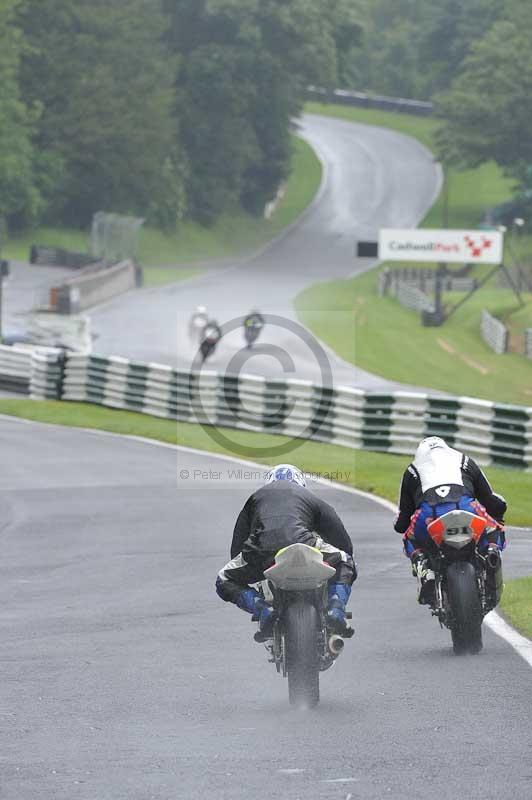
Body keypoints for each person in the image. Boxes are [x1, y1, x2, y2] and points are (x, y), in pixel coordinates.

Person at [215, 464, 357, 642]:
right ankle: (336, 608)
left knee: (224, 579)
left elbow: (237, 547)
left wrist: (247, 570)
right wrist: (343, 564)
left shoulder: (255, 498)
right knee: (345, 560)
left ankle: (262, 609)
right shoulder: (308, 496)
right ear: (300, 483)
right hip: (303, 543)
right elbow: (341, 539)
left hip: (261, 550)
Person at [394, 436, 506, 604]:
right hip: (466, 507)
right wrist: (499, 512)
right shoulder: (465, 460)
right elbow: (490, 499)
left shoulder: (412, 470)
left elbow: (402, 520)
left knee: (410, 539)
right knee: (494, 529)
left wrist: (399, 525)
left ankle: (425, 569)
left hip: (429, 515)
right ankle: (491, 552)